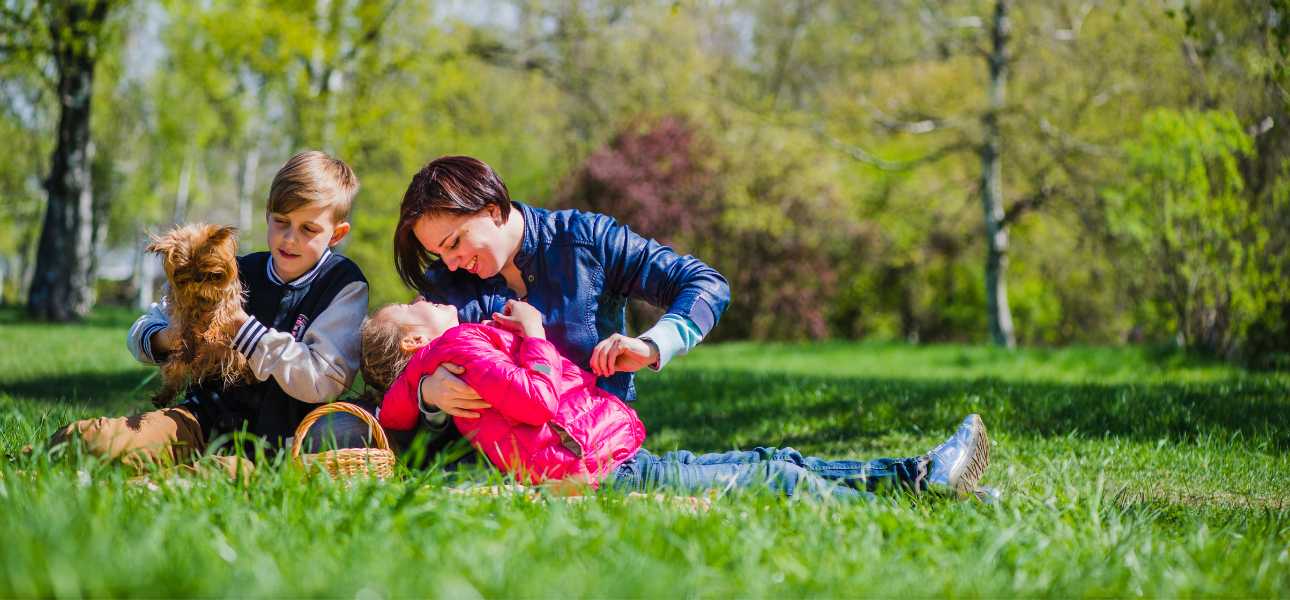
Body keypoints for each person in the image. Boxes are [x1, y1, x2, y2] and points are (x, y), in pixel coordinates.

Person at [363, 299, 991, 501]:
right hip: (593, 468)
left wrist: (418, 391)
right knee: (769, 474)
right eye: (409, 303)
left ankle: (917, 478)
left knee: (775, 456)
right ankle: (913, 500)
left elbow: (393, 411)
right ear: (416, 335)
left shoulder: (448, 358)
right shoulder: (459, 347)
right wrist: (530, 336)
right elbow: (533, 402)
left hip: (596, 458)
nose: (425, 292)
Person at [51, 151, 374, 473]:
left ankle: (145, 485)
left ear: (336, 234)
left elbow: (324, 380)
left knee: (203, 479)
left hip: (277, 446)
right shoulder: (234, 271)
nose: (290, 239)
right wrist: (169, 337)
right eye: (281, 222)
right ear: (267, 215)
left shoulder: (342, 285)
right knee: (97, 441)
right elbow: (141, 332)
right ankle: (34, 463)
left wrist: (243, 330)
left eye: (308, 229)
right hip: (199, 420)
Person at [390, 155, 730, 455]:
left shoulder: (587, 241)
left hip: (595, 450)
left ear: (492, 211)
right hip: (491, 468)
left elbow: (705, 285)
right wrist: (427, 394)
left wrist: (653, 346)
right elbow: (399, 388)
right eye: (440, 253)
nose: (450, 263)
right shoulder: (443, 285)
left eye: (455, 243)